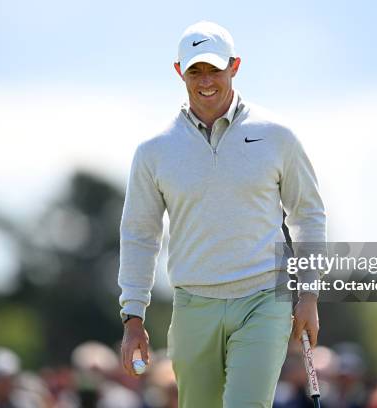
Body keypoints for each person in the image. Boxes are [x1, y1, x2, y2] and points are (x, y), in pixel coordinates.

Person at [118, 20, 326, 408]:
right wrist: (133, 316)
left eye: (215, 69)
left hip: (264, 299)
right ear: (179, 72)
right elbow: (139, 234)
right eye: (195, 70)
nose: (206, 80)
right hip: (193, 303)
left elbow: (308, 215)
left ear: (235, 66)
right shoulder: (154, 150)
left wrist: (309, 294)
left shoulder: (277, 136)